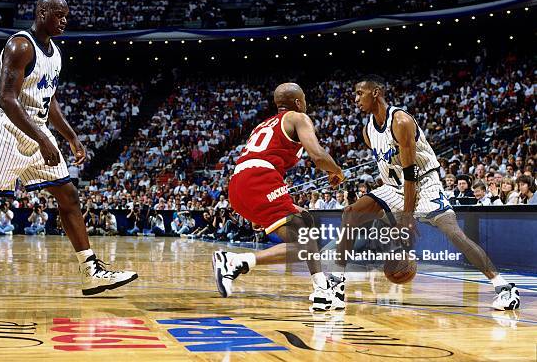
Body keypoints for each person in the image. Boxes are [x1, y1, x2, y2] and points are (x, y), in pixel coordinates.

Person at [0, 0, 136, 304]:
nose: (64, 20)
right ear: (41, 12)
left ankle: (90, 270)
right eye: (58, 14)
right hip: (5, 130)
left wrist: (70, 136)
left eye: (67, 15)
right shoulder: (20, 45)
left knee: (68, 195)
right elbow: (9, 99)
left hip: (35, 130)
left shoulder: (56, 54)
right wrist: (42, 138)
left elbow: (48, 99)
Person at [334, 75, 519, 311]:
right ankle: (336, 283)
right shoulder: (368, 130)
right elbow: (392, 170)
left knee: (454, 234)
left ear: (376, 92)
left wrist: (407, 217)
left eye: (359, 93)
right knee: (351, 213)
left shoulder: (400, 121)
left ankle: (504, 287)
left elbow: (411, 175)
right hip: (394, 186)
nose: (356, 99)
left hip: (423, 183)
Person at [213, 82, 345, 311]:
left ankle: (321, 289)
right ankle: (236, 261)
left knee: (305, 222)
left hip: (238, 185)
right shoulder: (298, 117)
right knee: (302, 243)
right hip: (259, 179)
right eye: (304, 98)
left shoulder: (264, 124)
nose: (305, 103)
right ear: (297, 102)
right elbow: (318, 155)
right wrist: (337, 171)